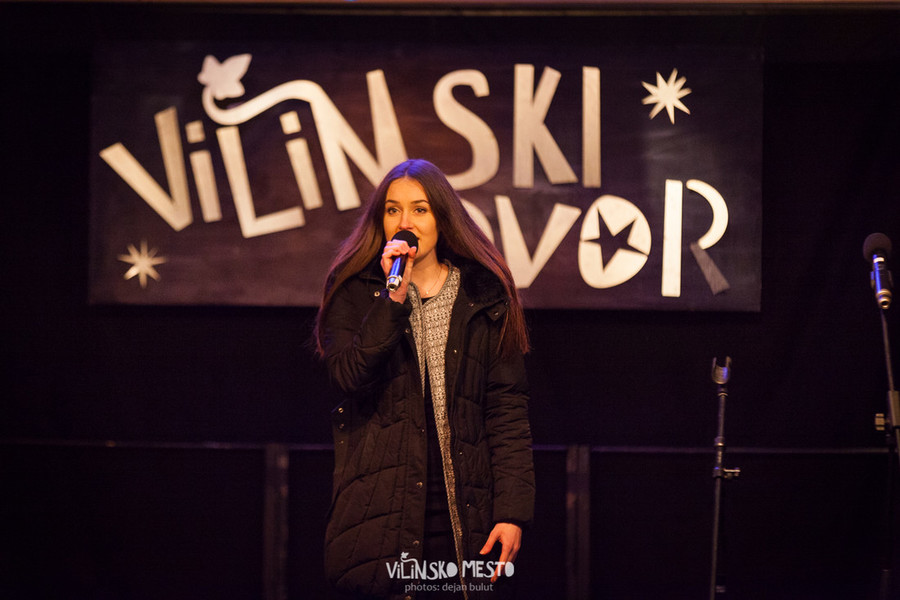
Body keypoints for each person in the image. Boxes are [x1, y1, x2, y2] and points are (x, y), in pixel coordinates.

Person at [314, 159, 535, 599]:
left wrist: (512, 511)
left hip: (464, 512)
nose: (405, 222)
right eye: (392, 210)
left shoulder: (483, 296)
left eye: (419, 209)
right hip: (384, 509)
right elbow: (348, 376)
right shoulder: (356, 291)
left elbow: (507, 409)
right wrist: (391, 299)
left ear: (441, 217)